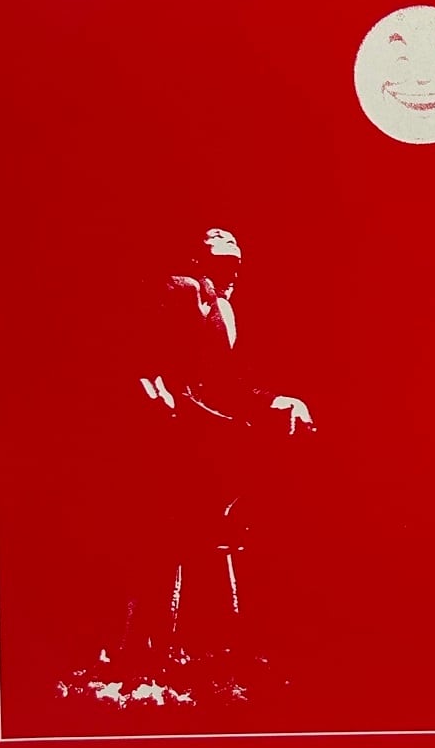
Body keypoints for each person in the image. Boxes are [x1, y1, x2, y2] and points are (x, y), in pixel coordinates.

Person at [82, 227, 313, 706]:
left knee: (195, 540)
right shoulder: (181, 290)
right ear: (198, 262)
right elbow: (147, 363)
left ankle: (186, 654)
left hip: (192, 436)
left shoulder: (223, 310)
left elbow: (222, 384)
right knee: (160, 544)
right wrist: (159, 398)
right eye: (220, 262)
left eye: (236, 263)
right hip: (158, 438)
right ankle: (140, 658)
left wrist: (272, 403)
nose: (231, 272)